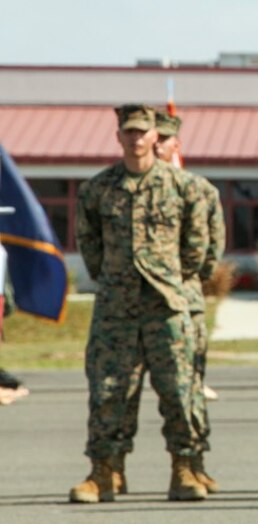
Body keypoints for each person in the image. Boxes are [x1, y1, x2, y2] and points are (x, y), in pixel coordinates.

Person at [70, 104, 209, 503]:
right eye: (128, 132)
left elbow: (196, 247)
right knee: (109, 392)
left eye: (142, 132)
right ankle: (103, 472)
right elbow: (89, 246)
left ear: (155, 137)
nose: (135, 139)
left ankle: (183, 469)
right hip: (116, 308)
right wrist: (115, 280)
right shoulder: (98, 189)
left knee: (178, 392)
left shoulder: (183, 187)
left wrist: (171, 280)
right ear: (119, 137)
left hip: (165, 306)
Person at [111, 111, 226, 495]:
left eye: (163, 140)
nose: (156, 146)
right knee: (119, 388)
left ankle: (192, 461)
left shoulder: (196, 189)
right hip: (130, 301)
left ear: (175, 143)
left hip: (181, 300)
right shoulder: (113, 188)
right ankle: (111, 465)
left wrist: (179, 279)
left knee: (185, 388)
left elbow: (207, 251)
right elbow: (97, 253)